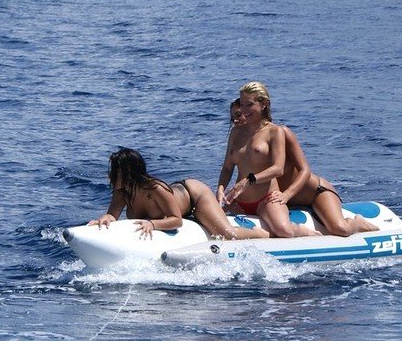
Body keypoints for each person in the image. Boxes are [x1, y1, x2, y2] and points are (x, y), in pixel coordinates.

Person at [88, 148, 267, 241]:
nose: (110, 176)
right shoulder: (122, 192)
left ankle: (259, 233)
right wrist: (105, 219)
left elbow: (176, 220)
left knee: (228, 236)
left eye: (115, 172)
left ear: (129, 174)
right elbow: (113, 214)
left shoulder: (155, 189)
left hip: (195, 195)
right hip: (180, 201)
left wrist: (152, 223)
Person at [217, 82, 320, 238]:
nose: (244, 110)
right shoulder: (235, 133)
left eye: (249, 105)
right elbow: (227, 167)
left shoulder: (275, 131)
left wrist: (247, 181)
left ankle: (303, 230)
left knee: (284, 231)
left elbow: (278, 168)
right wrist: (221, 188)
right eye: (242, 105)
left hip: (266, 199)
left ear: (263, 104)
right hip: (238, 200)